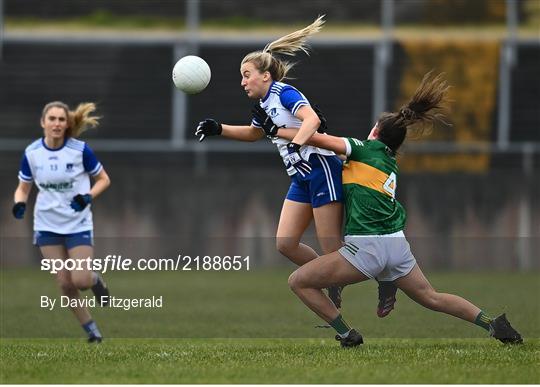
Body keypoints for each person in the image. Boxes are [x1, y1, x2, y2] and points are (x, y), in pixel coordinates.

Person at [255, 72, 523, 347]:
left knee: (299, 281)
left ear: (375, 133)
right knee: (432, 297)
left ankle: (347, 334)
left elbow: (318, 141)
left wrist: (276, 130)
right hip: (396, 245)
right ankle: (492, 323)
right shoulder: (387, 160)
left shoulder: (364, 148)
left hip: (366, 249)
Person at [194, 16, 347, 308]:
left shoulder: (283, 93)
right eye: (242, 76)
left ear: (266, 75)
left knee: (333, 251)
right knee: (285, 244)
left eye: (246, 74)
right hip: (300, 176)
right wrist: (219, 129)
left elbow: (312, 119)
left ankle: (384, 278)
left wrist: (297, 145)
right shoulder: (264, 105)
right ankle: (331, 279)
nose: (242, 82)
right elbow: (254, 133)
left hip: (320, 168)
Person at [12, 101, 111, 343]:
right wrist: (19, 203)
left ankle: (95, 280)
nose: (57, 123)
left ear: (67, 124)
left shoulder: (79, 150)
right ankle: (92, 332)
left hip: (77, 223)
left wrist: (87, 197)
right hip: (47, 225)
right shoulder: (32, 153)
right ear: (43, 122)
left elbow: (103, 179)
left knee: (81, 280)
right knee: (66, 284)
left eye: (61, 119)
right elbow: (23, 188)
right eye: (52, 119)